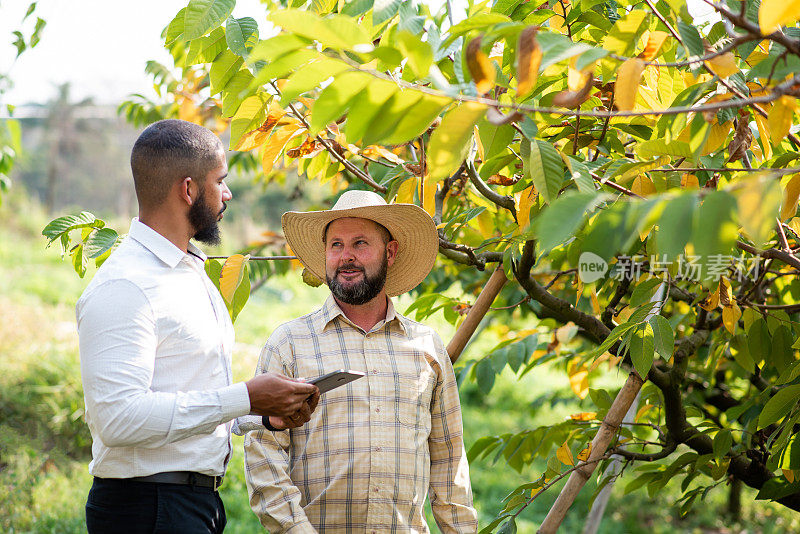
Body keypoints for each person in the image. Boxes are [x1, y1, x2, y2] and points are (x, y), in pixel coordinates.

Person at [77, 119, 320, 534]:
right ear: (188, 190)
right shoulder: (127, 285)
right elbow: (117, 418)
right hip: (147, 508)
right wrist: (245, 397)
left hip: (191, 504)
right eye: (220, 181)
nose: (228, 193)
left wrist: (261, 414)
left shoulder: (188, 271)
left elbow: (185, 397)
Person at [243, 190, 478, 533]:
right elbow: (263, 453)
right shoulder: (289, 344)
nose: (345, 257)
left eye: (360, 243)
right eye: (335, 245)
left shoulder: (426, 347)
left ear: (391, 252)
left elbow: (449, 459)